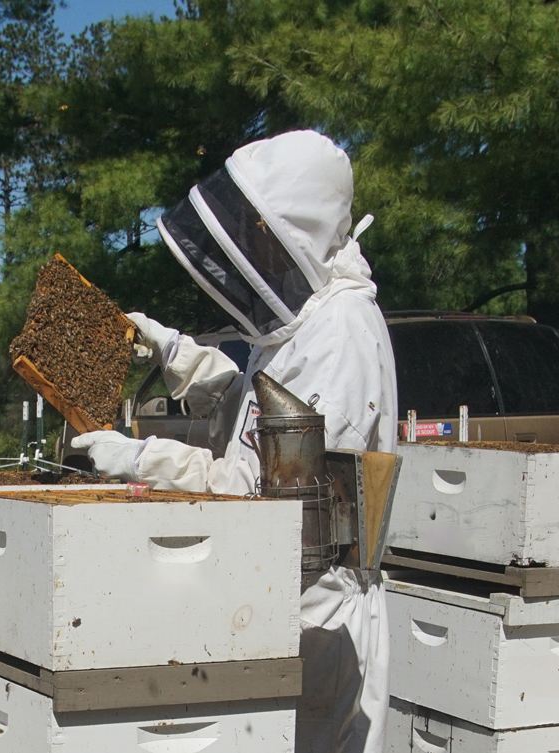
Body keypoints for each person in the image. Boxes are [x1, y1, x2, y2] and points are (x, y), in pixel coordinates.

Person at [71, 130, 398, 753]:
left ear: (295, 235)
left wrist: (143, 458)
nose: (254, 259)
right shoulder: (304, 325)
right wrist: (175, 353)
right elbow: (251, 409)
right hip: (280, 596)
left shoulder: (342, 331)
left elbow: (275, 493)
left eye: (262, 240)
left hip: (321, 612)